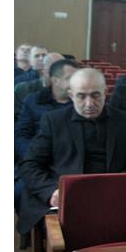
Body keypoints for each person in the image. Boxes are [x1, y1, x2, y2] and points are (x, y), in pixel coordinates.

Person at [16, 68, 126, 236]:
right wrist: (51, 192)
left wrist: (117, 185)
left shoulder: (125, 121)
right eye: (81, 96)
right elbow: (29, 165)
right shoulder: (54, 121)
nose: (89, 103)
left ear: (105, 92)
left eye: (95, 95)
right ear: (71, 95)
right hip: (66, 195)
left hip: (112, 194)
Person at [14, 59, 78, 217]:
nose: (75, 82)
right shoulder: (33, 100)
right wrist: (34, 155)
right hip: (37, 160)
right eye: (70, 78)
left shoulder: (79, 103)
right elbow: (21, 134)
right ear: (55, 81)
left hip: (69, 161)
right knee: (21, 191)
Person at [14, 52, 64, 122]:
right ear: (43, 69)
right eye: (55, 68)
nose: (60, 73)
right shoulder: (23, 90)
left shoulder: (70, 91)